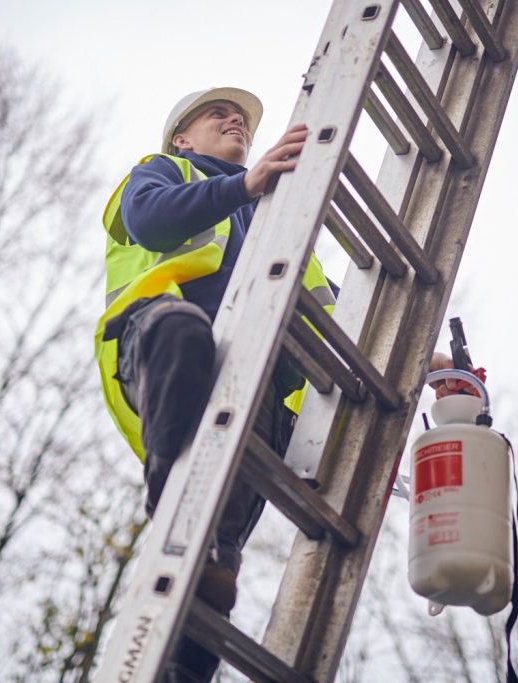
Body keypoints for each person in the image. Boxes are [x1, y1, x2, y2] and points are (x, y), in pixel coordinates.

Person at [94, 87, 332, 682]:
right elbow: (150, 222)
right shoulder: (162, 172)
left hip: (257, 400)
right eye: (216, 114)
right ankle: (168, 499)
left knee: (210, 580)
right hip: (162, 350)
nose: (235, 121)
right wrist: (244, 185)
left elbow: (337, 319)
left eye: (242, 119)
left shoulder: (285, 219)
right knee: (184, 328)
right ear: (182, 138)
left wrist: (419, 360)